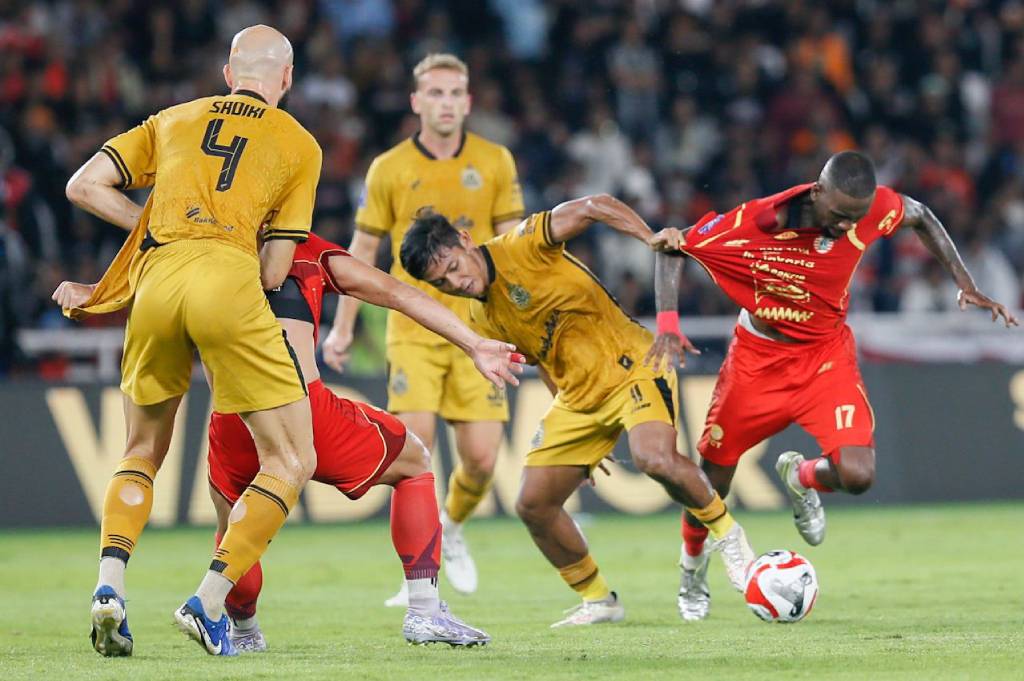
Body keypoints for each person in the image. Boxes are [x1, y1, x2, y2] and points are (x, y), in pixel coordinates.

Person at [646, 150, 1019, 622]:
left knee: (858, 475)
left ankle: (801, 478)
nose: (847, 227)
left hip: (825, 358)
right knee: (711, 479)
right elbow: (672, 246)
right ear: (817, 191)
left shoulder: (870, 209)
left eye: (856, 218)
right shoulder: (754, 223)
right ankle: (692, 569)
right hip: (757, 363)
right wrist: (667, 324)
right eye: (840, 215)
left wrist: (965, 282)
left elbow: (921, 215)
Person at [55, 25, 322, 657]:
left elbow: (83, 185)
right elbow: (274, 272)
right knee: (291, 459)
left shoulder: (173, 118)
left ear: (229, 75)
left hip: (156, 283)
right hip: (228, 281)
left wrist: (155, 230)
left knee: (140, 450)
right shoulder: (299, 144)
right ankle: (208, 600)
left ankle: (110, 586)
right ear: (286, 79)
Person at [399, 196, 756, 628]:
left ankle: (729, 537)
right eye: (442, 283)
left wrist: (648, 238)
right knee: (533, 504)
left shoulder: (525, 242)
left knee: (653, 458)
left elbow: (594, 206)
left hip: (632, 364)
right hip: (578, 397)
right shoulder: (480, 317)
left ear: (465, 239)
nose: (457, 283)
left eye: (454, 267)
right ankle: (599, 598)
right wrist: (578, 436)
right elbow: (543, 359)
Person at [207, 232, 523, 650]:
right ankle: (425, 611)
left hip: (231, 417)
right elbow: (398, 293)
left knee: (234, 523)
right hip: (301, 408)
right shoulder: (306, 250)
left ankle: (244, 632)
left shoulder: (206, 246)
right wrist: (474, 343)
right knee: (413, 461)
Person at [324, 53, 524, 603]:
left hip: (480, 329)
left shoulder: (495, 161)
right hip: (413, 330)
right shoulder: (388, 168)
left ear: (469, 101)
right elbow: (363, 249)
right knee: (415, 455)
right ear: (416, 102)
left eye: (455, 93)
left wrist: (525, 315)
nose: (446, 103)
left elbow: (516, 244)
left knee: (481, 461)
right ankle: (418, 575)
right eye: (435, 93)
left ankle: (451, 529)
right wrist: (342, 327)